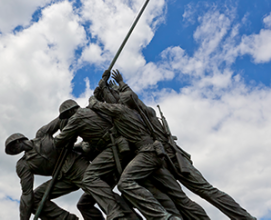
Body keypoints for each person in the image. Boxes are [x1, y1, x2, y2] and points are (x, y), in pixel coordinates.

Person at [104, 69, 257, 220]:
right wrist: (105, 89)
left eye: (120, 95)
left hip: (173, 156)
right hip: (161, 159)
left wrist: (121, 83)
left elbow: (133, 99)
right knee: (181, 201)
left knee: (207, 191)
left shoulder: (144, 112)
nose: (119, 98)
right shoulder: (130, 116)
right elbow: (118, 106)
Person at [89, 90, 210, 220]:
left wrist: (93, 97)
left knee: (125, 183)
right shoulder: (138, 113)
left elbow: (96, 105)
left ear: (123, 102)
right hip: (156, 154)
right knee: (177, 198)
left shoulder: (120, 110)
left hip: (147, 153)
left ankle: (164, 218)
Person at [54, 99, 139, 220]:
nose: (66, 118)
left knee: (89, 178)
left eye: (66, 115)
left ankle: (114, 211)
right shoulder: (90, 111)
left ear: (72, 110)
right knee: (83, 204)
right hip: (111, 147)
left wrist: (63, 136)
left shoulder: (77, 118)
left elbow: (58, 141)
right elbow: (87, 142)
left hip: (113, 148)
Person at [4, 117, 103, 220]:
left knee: (97, 189)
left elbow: (63, 119)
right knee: (35, 198)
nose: (14, 150)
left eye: (12, 147)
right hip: (62, 178)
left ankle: (117, 213)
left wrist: (68, 133)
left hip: (76, 166)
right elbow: (26, 194)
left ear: (18, 141)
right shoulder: (23, 164)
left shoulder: (42, 135)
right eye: (11, 150)